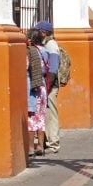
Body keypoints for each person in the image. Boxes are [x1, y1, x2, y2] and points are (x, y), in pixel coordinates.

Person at [35, 20, 61, 153]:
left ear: (43, 32)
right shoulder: (46, 44)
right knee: (45, 113)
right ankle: (46, 141)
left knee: (51, 113)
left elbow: (53, 68)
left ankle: (53, 142)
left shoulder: (51, 45)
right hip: (47, 84)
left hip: (50, 85)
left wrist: (48, 86)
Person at [26, 28, 49, 157]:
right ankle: (40, 146)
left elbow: (25, 69)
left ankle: (30, 148)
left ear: (30, 39)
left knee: (31, 118)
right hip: (42, 87)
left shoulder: (30, 52)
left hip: (32, 88)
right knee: (40, 118)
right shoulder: (44, 51)